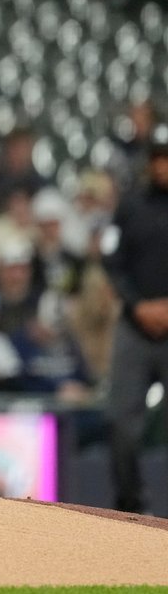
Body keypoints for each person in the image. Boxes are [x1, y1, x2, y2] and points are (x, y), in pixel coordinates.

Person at [102, 124, 168, 514]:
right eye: (158, 158)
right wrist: (137, 306)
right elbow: (112, 262)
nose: (163, 167)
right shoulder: (130, 206)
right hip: (136, 326)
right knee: (121, 422)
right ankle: (129, 506)